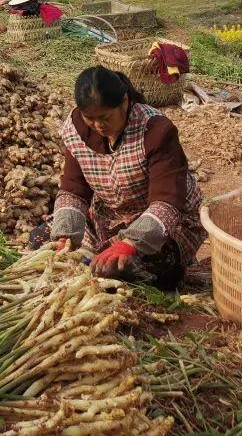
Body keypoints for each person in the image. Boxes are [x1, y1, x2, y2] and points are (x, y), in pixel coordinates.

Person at [31, 66, 204, 289]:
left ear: (124, 102)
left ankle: (169, 269)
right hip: (110, 216)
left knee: (121, 269)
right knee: (41, 241)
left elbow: (167, 201)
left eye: (105, 117)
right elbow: (74, 189)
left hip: (164, 219)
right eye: (90, 118)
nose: (98, 125)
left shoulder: (155, 130)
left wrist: (131, 243)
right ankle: (92, 259)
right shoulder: (77, 131)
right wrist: (66, 234)